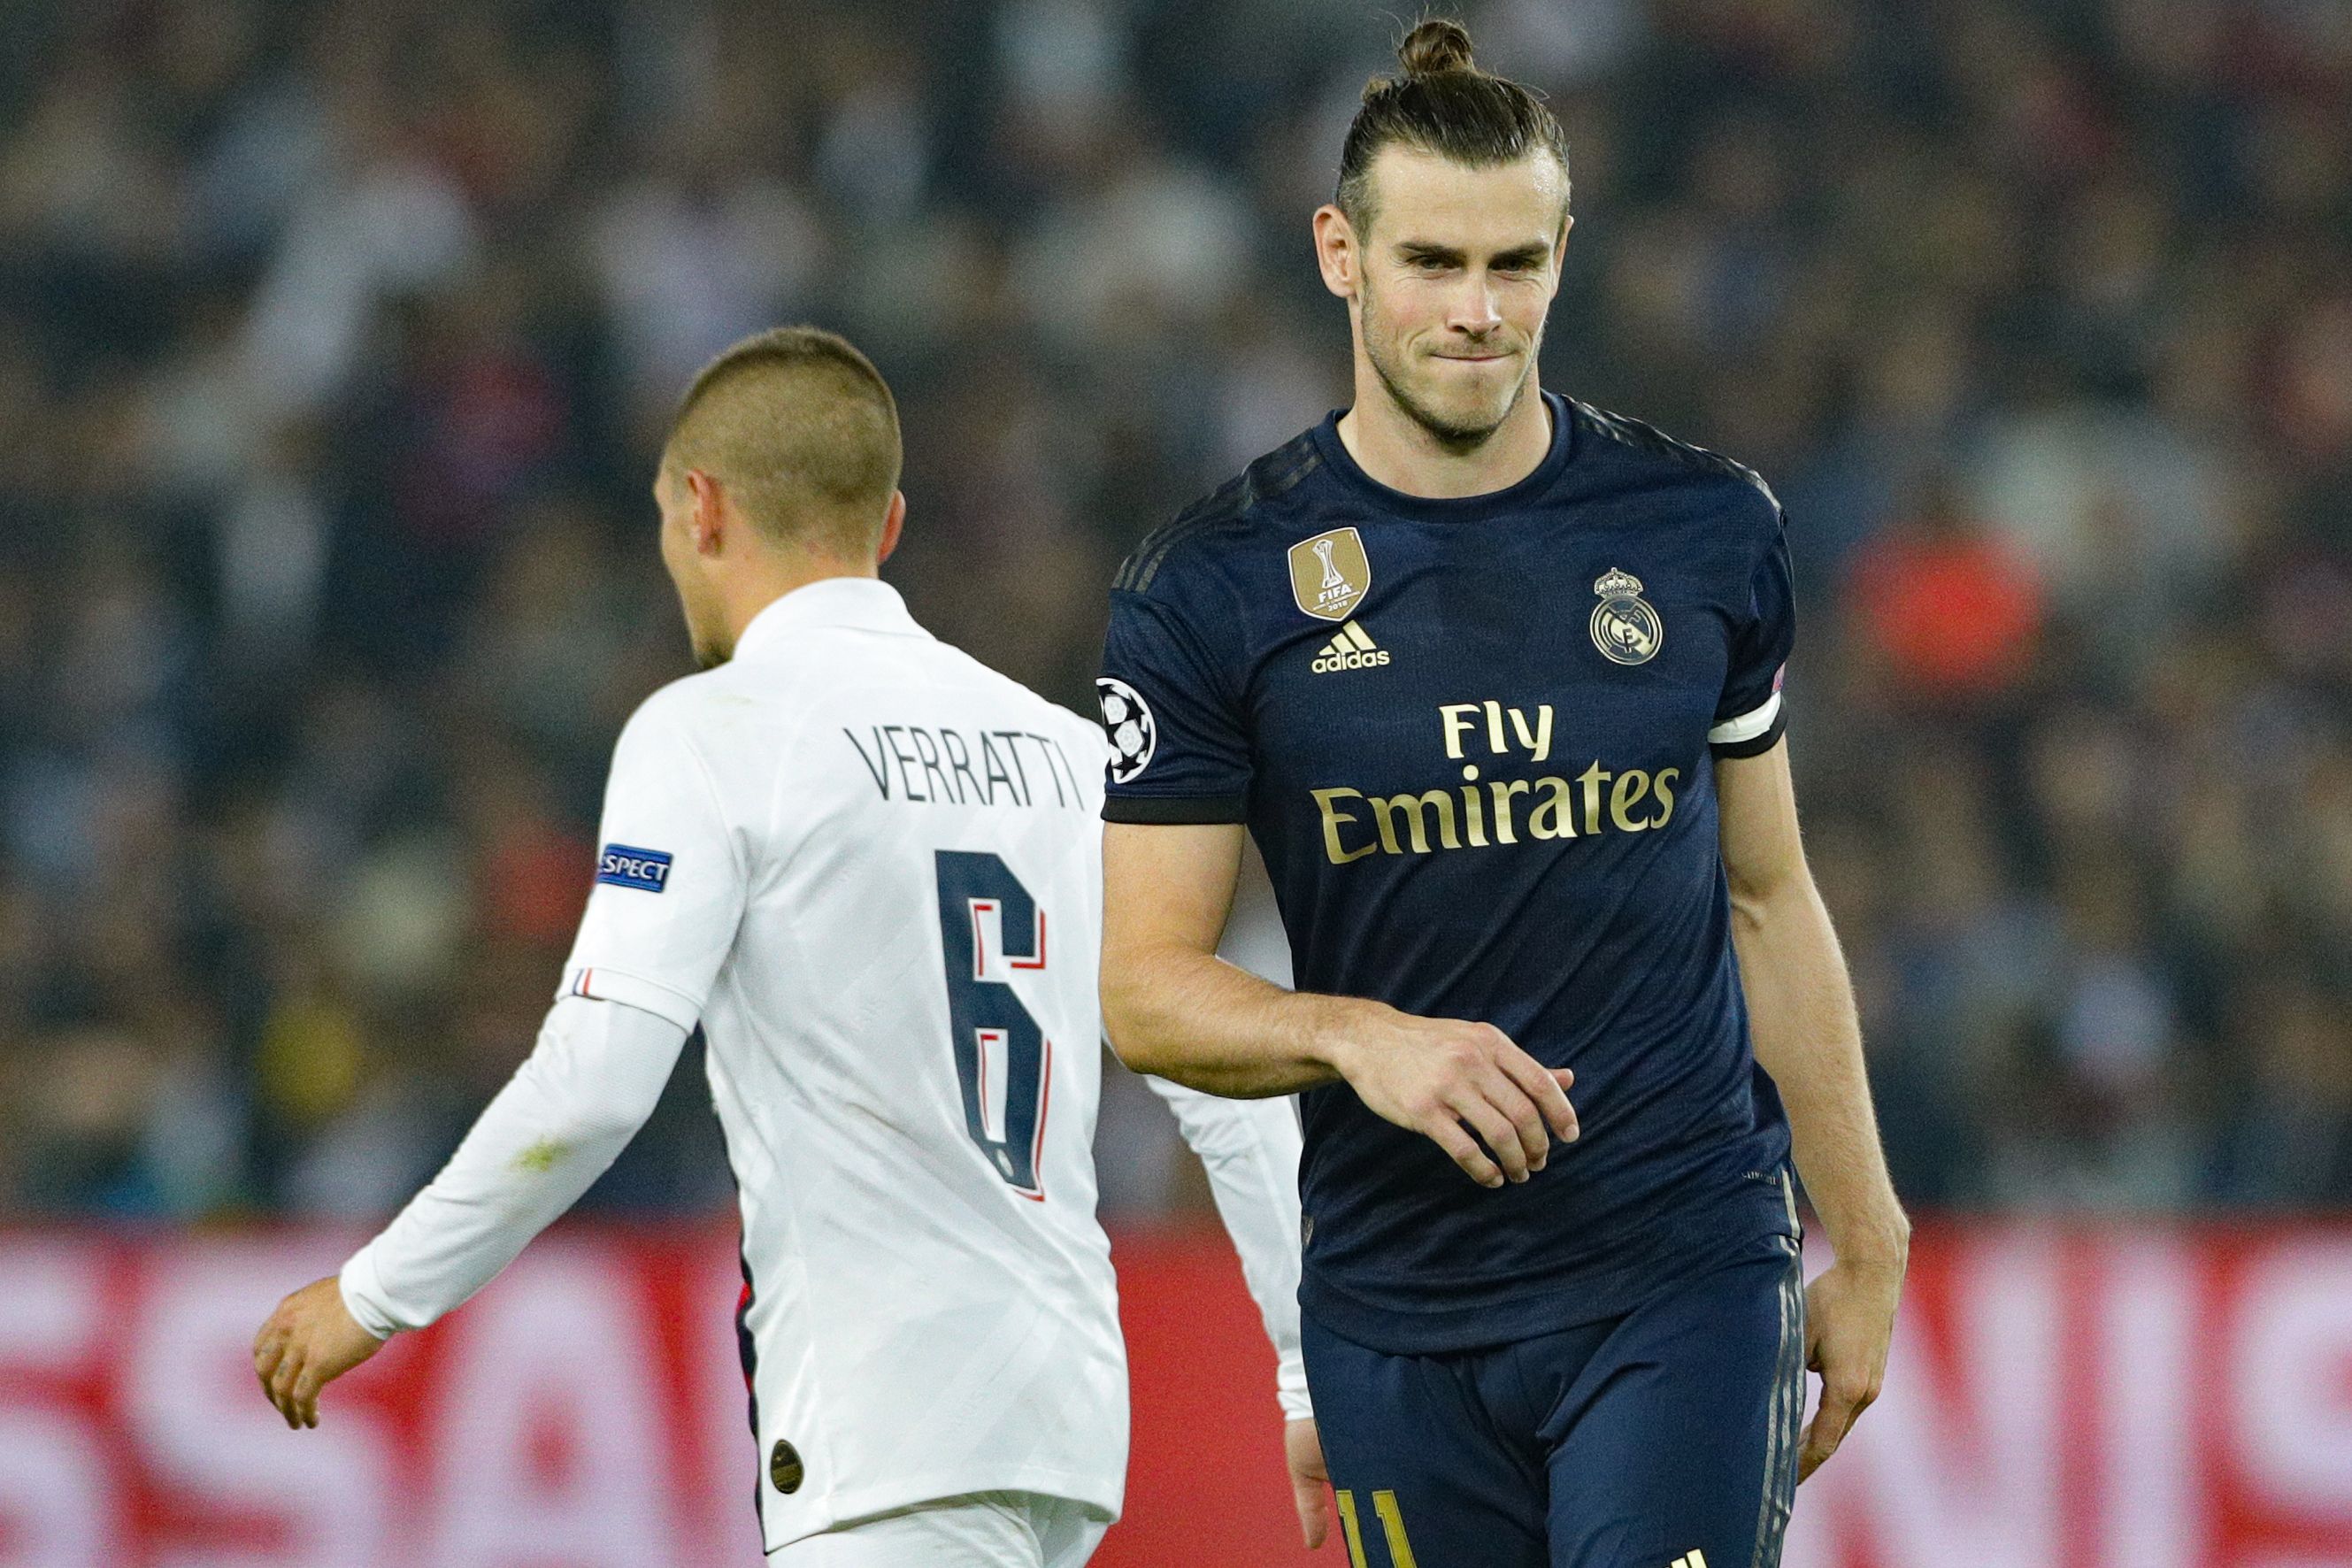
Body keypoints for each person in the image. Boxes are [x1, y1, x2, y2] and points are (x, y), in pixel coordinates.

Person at [251, 326, 1313, 1567]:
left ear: (698, 509)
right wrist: (1303, 1374)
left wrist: (376, 1291)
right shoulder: (1068, 759)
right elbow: (1228, 1091)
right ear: (891, 524)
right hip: (1063, 1424)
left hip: (879, 1420)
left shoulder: (712, 731)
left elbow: (592, 1085)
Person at [1095, 20, 1909, 1568]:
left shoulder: (1700, 532)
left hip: (1679, 1260)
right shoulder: (1211, 587)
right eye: (1431, 263)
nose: (1476, 314)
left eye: (1514, 266)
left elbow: (1764, 891)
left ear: (1561, 255)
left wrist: (1862, 1231)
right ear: (1339, 253)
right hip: (1399, 1305)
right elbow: (1141, 989)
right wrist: (1359, 1038)